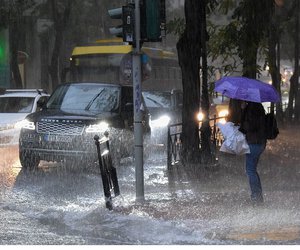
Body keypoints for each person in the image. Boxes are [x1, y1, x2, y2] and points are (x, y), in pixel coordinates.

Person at [239, 101, 267, 205]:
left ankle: (256, 197)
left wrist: (244, 110)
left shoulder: (252, 108)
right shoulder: (258, 106)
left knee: (250, 171)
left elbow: (249, 127)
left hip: (254, 142)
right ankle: (258, 196)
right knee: (252, 170)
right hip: (259, 142)